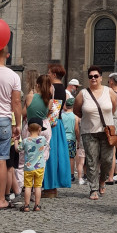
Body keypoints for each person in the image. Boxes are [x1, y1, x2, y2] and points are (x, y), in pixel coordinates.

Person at [74, 65, 117, 200]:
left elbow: (114, 107)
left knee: (107, 160)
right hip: (89, 131)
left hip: (107, 131)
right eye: (90, 76)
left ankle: (102, 180)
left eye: (96, 76)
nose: (93, 78)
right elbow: (77, 110)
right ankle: (93, 188)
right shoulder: (83, 93)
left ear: (101, 77)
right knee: (91, 161)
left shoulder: (109, 91)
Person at [0, 32, 21, 210]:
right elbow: (16, 102)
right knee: (1, 160)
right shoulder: (13, 76)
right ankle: (1, 199)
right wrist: (17, 124)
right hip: (3, 120)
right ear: (6, 55)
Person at [42, 63, 71, 197]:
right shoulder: (64, 89)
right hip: (58, 123)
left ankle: (49, 187)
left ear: (54, 74)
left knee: (49, 154)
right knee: (58, 155)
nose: (47, 74)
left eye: (49, 73)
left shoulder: (51, 88)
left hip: (50, 123)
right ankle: (54, 186)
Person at [21, 117, 46, 212]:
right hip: (39, 167)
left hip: (28, 167)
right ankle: (37, 205)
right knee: (38, 186)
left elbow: (18, 149)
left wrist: (15, 141)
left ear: (28, 129)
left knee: (28, 186)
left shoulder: (25, 141)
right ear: (40, 129)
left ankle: (26, 206)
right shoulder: (42, 139)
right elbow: (46, 145)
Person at [61, 98, 77, 181]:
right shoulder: (75, 117)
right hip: (71, 138)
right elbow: (76, 129)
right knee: (71, 157)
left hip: (63, 138)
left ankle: (63, 174)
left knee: (63, 157)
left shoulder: (62, 116)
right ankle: (71, 174)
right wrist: (78, 139)